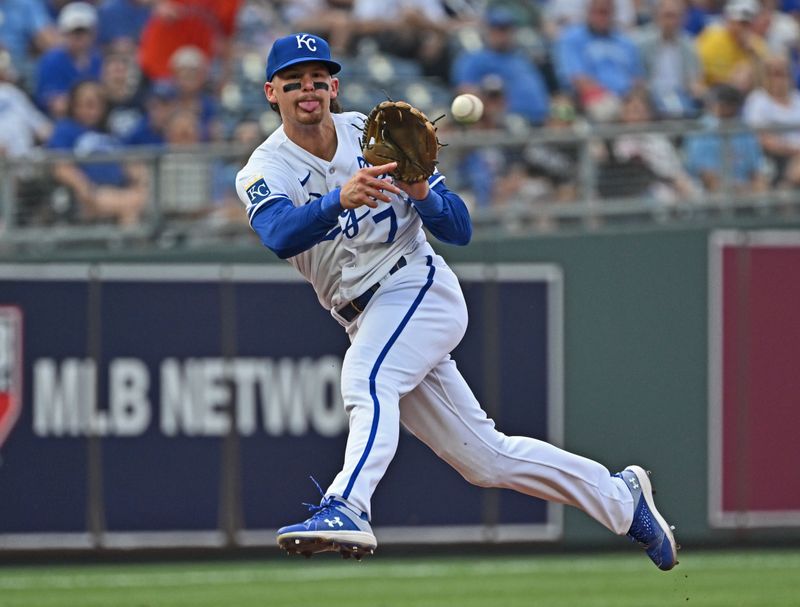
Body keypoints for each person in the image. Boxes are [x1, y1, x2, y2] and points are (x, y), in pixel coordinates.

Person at [235, 32, 679, 570]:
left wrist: (422, 190)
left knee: (367, 380)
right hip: (361, 314)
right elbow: (280, 234)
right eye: (293, 82)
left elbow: (460, 228)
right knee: (486, 459)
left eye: (318, 79)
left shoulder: (371, 135)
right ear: (270, 93)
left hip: (415, 286)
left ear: (334, 87)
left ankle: (347, 505)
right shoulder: (264, 168)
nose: (308, 89)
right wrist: (338, 199)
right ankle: (619, 498)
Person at [48, 79, 149, 225]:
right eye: (87, 104)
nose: (93, 109)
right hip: (86, 195)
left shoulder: (108, 133)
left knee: (138, 202)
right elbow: (61, 167)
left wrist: (141, 180)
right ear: (74, 105)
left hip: (119, 190)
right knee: (130, 206)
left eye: (98, 104)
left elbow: (128, 163)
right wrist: (86, 190)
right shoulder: (66, 129)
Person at [451, 7, 551, 125]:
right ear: (488, 30)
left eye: (508, 29)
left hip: (543, 122)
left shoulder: (522, 58)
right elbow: (465, 93)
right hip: (505, 123)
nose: (503, 34)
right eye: (499, 29)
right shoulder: (475, 59)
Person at [553, 0, 645, 122]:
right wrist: (610, 97)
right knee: (606, 109)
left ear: (613, 13)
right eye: (598, 12)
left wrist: (632, 99)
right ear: (588, 12)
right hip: (592, 99)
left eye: (606, 12)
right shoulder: (572, 39)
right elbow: (578, 79)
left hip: (627, 99)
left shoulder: (625, 42)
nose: (602, 17)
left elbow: (638, 78)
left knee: (645, 109)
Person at [684, 83, 769, 193]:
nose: (725, 108)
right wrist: (736, 191)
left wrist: (756, 192)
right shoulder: (701, 130)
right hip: (709, 194)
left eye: (731, 104)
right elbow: (707, 176)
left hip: (746, 191)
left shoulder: (743, 130)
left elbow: (757, 170)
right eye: (722, 103)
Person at [634, 0, 705, 118]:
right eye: (667, 16)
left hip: (681, 95)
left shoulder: (689, 45)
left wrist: (697, 89)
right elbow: (637, 77)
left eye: (676, 17)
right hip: (650, 95)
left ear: (684, 19)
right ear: (657, 16)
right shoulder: (641, 42)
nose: (671, 22)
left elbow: (694, 80)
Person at [35, 1, 104, 118]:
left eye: (83, 32)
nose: (79, 38)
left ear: (93, 33)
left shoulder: (99, 60)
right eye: (74, 33)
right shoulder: (51, 61)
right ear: (64, 34)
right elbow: (52, 101)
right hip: (60, 120)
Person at [742, 53, 800, 187]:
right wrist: (795, 150)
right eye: (773, 74)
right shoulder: (757, 100)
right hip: (775, 157)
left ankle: (786, 188)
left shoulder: (798, 99)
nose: (778, 79)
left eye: (782, 74)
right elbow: (762, 138)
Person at [695, 0, 768, 91]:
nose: (740, 27)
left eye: (745, 24)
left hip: (743, 97)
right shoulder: (712, 37)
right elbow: (698, 72)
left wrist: (752, 53)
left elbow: (765, 81)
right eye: (738, 22)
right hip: (711, 91)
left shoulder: (757, 44)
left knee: (745, 70)